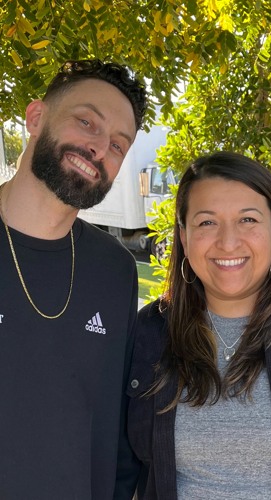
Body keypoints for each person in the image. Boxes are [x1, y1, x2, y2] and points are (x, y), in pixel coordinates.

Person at [126, 151, 271, 499]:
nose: (228, 242)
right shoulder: (147, 335)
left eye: (248, 220)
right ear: (183, 235)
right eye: (207, 222)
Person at [0, 59, 148, 499]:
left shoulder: (115, 271)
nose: (100, 148)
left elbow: (116, 431)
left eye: (119, 145)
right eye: (87, 122)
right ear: (36, 117)